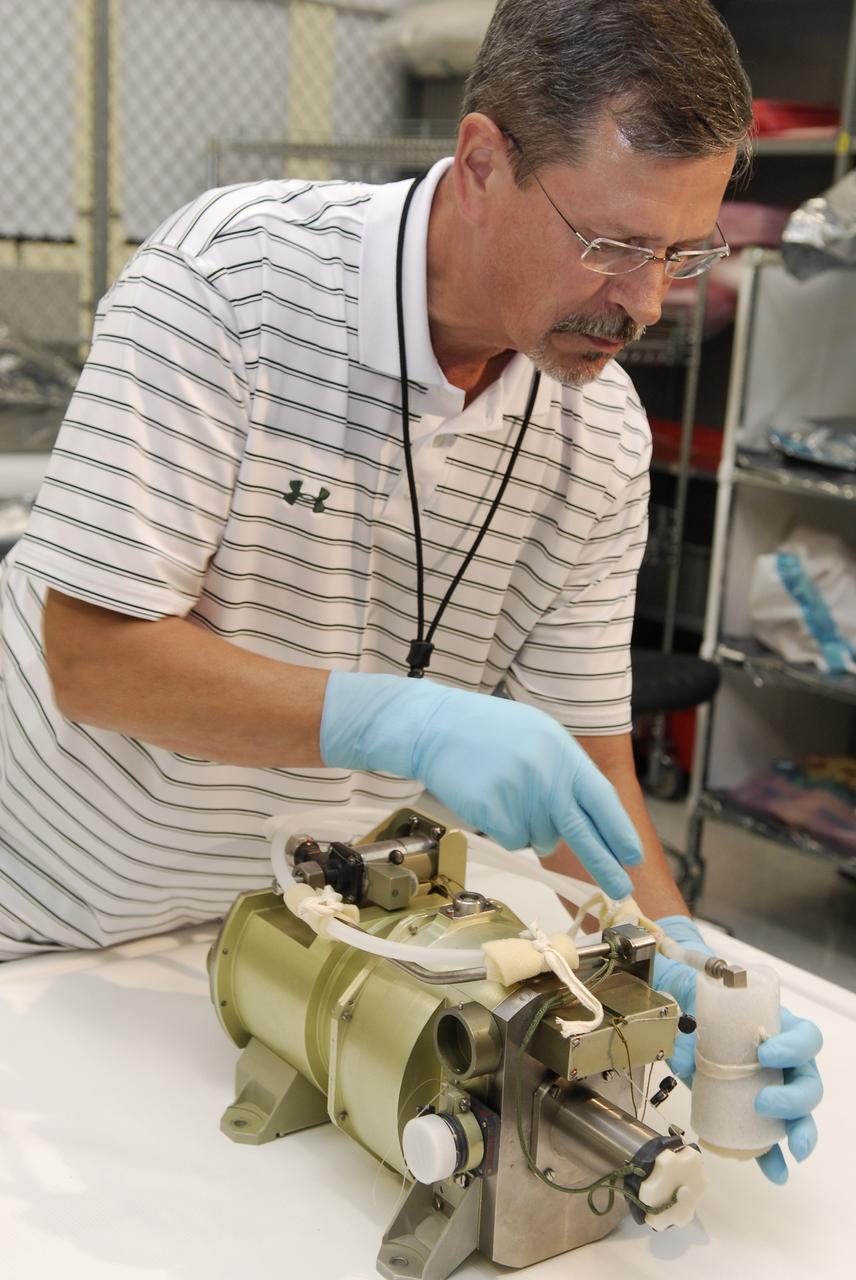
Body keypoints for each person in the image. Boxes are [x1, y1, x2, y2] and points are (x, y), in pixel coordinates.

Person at [0, 0, 820, 1180]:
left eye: (683, 253)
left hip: (293, 957)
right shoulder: (234, 281)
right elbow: (93, 657)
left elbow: (591, 764)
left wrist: (667, 959)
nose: (643, 304)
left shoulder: (597, 429)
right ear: (482, 160)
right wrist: (395, 716)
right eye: (612, 243)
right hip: (47, 927)